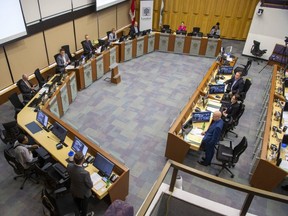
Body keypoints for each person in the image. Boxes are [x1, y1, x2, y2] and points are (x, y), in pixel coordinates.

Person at [67, 151, 94, 216]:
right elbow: (90, 186)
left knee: (77, 203)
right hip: (83, 194)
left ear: (73, 159)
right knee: (84, 208)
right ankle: (84, 214)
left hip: (74, 189)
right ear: (83, 161)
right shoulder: (85, 173)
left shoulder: (69, 165)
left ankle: (78, 209)